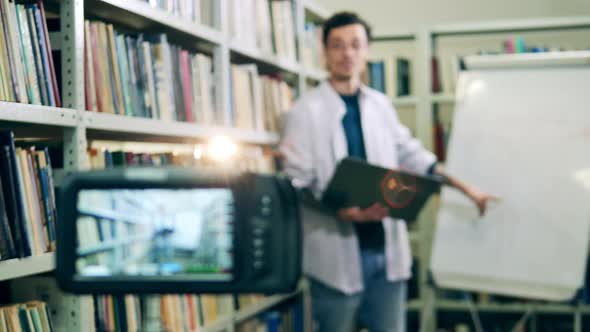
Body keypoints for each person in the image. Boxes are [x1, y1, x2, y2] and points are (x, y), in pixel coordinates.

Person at [279, 11, 496, 332]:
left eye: (356, 45)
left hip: (386, 255)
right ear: (324, 52)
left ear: (367, 51)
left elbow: (415, 156)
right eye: (337, 45)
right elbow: (297, 182)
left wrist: (468, 189)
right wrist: (343, 212)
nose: (347, 54)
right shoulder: (303, 112)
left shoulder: (380, 104)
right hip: (334, 259)